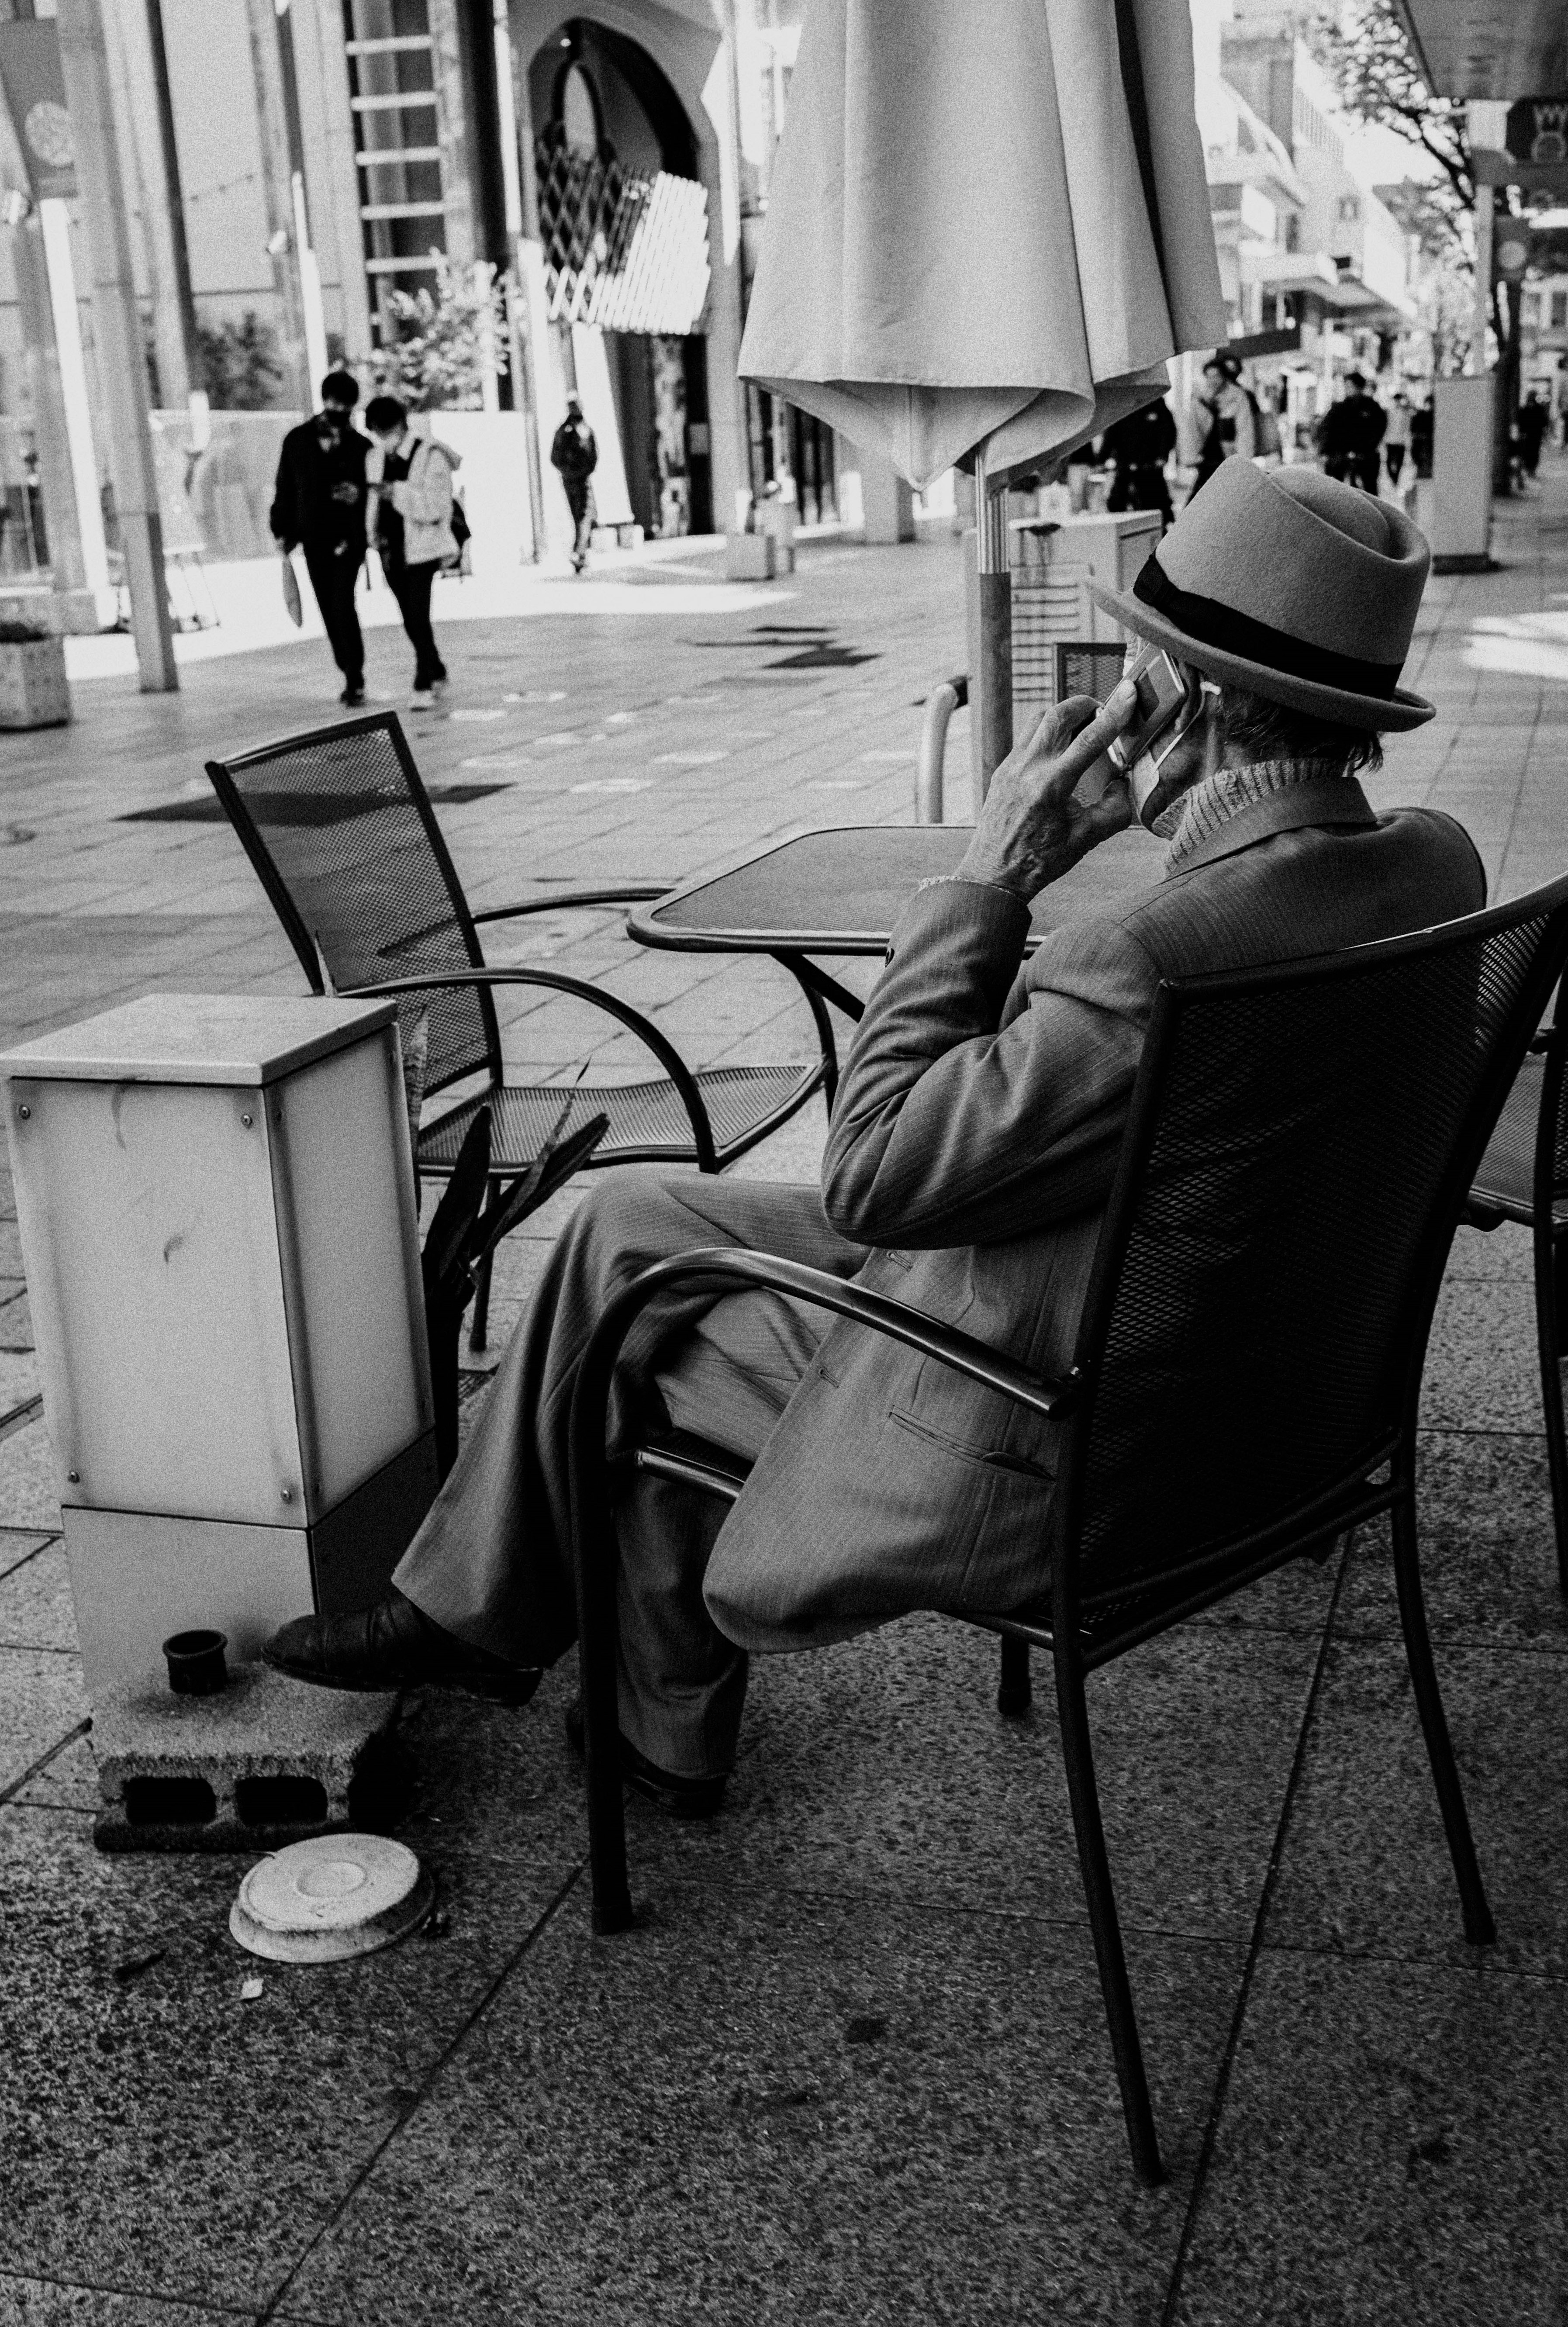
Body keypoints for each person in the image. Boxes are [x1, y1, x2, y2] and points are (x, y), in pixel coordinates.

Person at [265, 459, 1484, 1817]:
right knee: (628, 1225)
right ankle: (531, 1653)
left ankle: (542, 1659)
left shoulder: (1152, 962)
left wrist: (992, 875)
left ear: (1184, 702)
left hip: (1065, 1433)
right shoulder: (1427, 868)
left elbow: (878, 1174)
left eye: (1140, 655)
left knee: (645, 1342)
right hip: (1252, 1395)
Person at [269, 369, 370, 706]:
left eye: (346, 404)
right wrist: (282, 529)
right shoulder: (297, 441)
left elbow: (369, 494)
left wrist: (357, 497)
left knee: (342, 603)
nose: (340, 409)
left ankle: (354, 673)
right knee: (328, 606)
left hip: (349, 538)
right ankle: (346, 669)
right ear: (324, 400)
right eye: (335, 402)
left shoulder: (361, 447)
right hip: (313, 537)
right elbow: (286, 487)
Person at [364, 394, 458, 710]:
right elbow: (372, 503)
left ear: (402, 426)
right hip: (390, 548)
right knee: (408, 615)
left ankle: (423, 681)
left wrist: (397, 493)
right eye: (377, 432)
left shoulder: (430, 455)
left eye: (385, 430)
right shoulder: (376, 457)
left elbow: (435, 507)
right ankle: (436, 666)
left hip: (422, 547)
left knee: (418, 614)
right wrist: (372, 533)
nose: (383, 439)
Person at [1101, 396, 1177, 525]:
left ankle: (1160, 531)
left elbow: (1168, 431)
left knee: (1155, 504)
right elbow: (1112, 433)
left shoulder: (1156, 404)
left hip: (1150, 467)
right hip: (1125, 465)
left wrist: (1162, 456)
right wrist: (1102, 458)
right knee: (1117, 504)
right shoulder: (1121, 406)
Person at [1188, 354, 1254, 499]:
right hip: (1206, 454)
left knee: (1229, 493)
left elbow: (1244, 429)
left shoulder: (1238, 397)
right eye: (1209, 376)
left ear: (1224, 377)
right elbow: (1192, 429)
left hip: (1228, 453)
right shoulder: (1200, 398)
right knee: (1201, 495)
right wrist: (1191, 455)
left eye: (1217, 376)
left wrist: (1244, 458)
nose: (1213, 380)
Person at [551, 393, 598, 573]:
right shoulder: (578, 430)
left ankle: (581, 556)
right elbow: (592, 456)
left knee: (581, 517)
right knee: (584, 517)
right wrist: (577, 472)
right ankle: (578, 553)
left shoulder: (564, 431)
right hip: (578, 480)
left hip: (572, 479)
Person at [1319, 373, 1386, 494]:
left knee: (1369, 492)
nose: (1347, 389)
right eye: (1346, 386)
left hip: (1365, 456)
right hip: (1341, 456)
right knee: (1336, 491)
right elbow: (1327, 429)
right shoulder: (1339, 408)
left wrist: (1368, 447)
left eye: (1350, 386)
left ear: (1359, 387)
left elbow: (1379, 428)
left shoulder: (1372, 408)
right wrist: (1325, 451)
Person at [1518, 390, 1549, 479]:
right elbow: (1544, 422)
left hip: (1530, 435)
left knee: (1529, 453)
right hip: (1535, 435)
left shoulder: (1525, 409)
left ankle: (1530, 470)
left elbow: (1521, 422)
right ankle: (1531, 471)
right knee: (1533, 453)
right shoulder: (1539, 409)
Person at [1383, 390, 1410, 490]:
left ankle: (1396, 478)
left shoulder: (1405, 413)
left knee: (1399, 461)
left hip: (1401, 441)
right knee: (1389, 460)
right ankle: (1392, 477)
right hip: (1390, 440)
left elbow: (1407, 428)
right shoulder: (1389, 412)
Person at [1409, 396, 1434, 481]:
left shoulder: (1433, 416)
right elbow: (1413, 428)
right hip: (1420, 442)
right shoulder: (1420, 415)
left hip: (1428, 442)